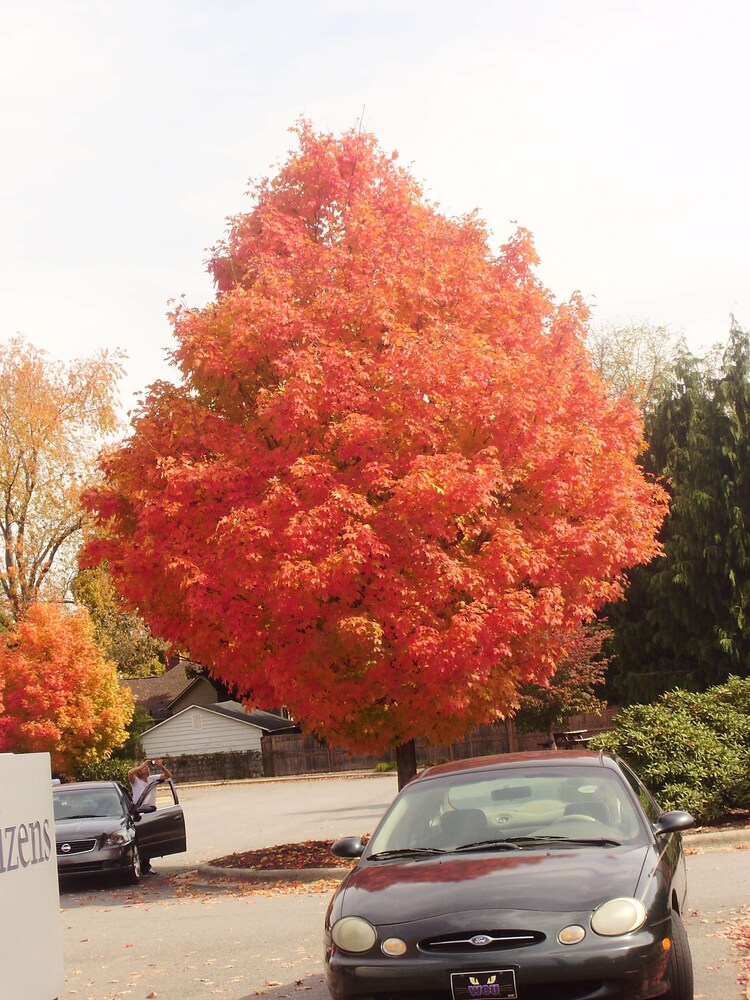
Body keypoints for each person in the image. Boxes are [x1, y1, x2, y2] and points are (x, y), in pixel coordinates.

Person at [127, 758, 173, 875]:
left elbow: (168, 775)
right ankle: (141, 865)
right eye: (144, 767)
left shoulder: (152, 779)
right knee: (139, 840)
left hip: (150, 812)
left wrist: (161, 767)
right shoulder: (136, 781)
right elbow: (130, 773)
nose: (146, 768)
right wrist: (141, 765)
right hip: (138, 813)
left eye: (147, 767)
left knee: (149, 839)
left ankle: (146, 866)